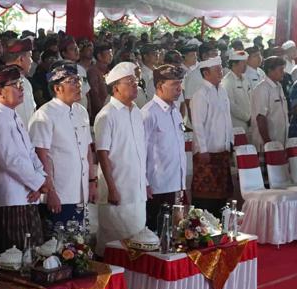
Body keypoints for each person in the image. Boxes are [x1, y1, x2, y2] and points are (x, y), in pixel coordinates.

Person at [0, 64, 47, 252]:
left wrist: (40, 180)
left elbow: (30, 153)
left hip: (27, 194)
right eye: (15, 84)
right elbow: (9, 160)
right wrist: (37, 183)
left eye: (20, 83)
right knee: (14, 256)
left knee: (32, 252)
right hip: (9, 198)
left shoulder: (13, 116)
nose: (20, 88)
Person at [29, 62, 95, 231]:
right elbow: (40, 155)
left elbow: (87, 149)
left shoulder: (81, 111)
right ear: (57, 88)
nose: (79, 85)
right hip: (59, 192)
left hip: (80, 190)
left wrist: (92, 182)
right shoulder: (44, 115)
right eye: (72, 81)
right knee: (56, 247)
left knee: (78, 244)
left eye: (78, 80)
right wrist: (50, 191)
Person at [94, 63, 150, 247]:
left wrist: (146, 183)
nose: (136, 86)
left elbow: (140, 152)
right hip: (118, 189)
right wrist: (112, 188)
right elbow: (102, 154)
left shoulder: (136, 112)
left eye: (136, 82)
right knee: (116, 246)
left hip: (137, 190)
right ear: (116, 87)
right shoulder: (107, 115)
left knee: (139, 243)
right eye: (130, 82)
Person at [141, 64, 186, 230]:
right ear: (160, 85)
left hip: (176, 182)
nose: (179, 89)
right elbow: (141, 151)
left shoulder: (175, 111)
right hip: (157, 185)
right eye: (174, 84)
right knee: (156, 232)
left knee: (176, 232)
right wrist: (144, 182)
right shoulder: (148, 113)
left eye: (180, 83)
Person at [188, 54, 234, 213]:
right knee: (205, 194)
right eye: (217, 70)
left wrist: (230, 142)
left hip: (222, 149)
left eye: (221, 69)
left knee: (221, 192)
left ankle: (220, 222)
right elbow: (197, 124)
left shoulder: (222, 91)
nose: (221, 72)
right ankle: (202, 224)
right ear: (206, 73)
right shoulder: (200, 94)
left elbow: (227, 118)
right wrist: (203, 149)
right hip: (207, 151)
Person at [249, 56, 289, 152]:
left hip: (280, 141)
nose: (283, 72)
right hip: (266, 144)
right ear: (270, 70)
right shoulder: (262, 89)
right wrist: (268, 143)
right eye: (280, 70)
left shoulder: (278, 86)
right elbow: (260, 118)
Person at [221, 50, 254, 135]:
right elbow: (231, 106)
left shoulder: (245, 78)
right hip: (236, 124)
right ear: (234, 64)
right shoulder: (227, 81)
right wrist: (247, 118)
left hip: (250, 122)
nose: (245, 66)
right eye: (242, 63)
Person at [5, 39, 37, 124]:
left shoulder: (26, 83)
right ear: (21, 59)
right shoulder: (1, 83)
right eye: (30, 56)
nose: (32, 61)